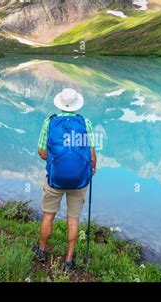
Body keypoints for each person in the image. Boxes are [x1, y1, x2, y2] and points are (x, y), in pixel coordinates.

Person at [35, 88, 97, 271]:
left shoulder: (50, 121)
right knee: (73, 219)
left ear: (60, 103)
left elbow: (41, 152)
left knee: (48, 216)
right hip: (79, 181)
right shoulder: (85, 123)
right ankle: (69, 260)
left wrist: (52, 158)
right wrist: (91, 167)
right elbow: (92, 154)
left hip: (55, 179)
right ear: (77, 103)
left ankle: (41, 251)